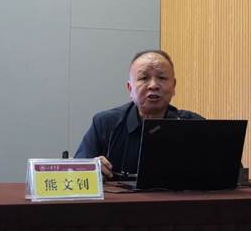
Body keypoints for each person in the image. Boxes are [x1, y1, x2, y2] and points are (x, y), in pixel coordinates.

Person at [74, 50, 203, 180]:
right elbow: (75, 173)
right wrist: (91, 168)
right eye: (144, 78)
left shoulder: (196, 125)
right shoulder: (105, 123)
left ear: (173, 86)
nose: (153, 85)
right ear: (130, 88)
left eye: (162, 78)